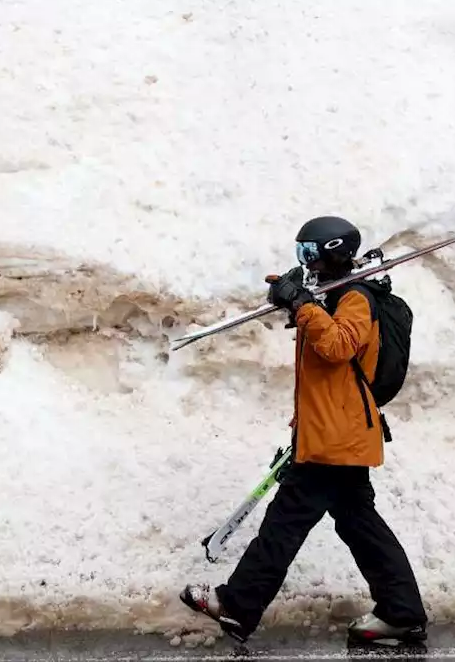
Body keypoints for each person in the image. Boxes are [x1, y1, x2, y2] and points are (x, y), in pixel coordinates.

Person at [180, 215, 429, 646]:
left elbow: (336, 347)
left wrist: (301, 303)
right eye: (301, 254)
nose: (306, 262)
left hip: (338, 438)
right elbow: (324, 369)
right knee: (358, 525)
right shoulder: (334, 296)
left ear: (333, 251)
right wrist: (298, 301)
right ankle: (402, 613)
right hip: (332, 433)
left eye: (310, 253)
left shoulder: (357, 298)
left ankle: (238, 605)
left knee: (285, 522)